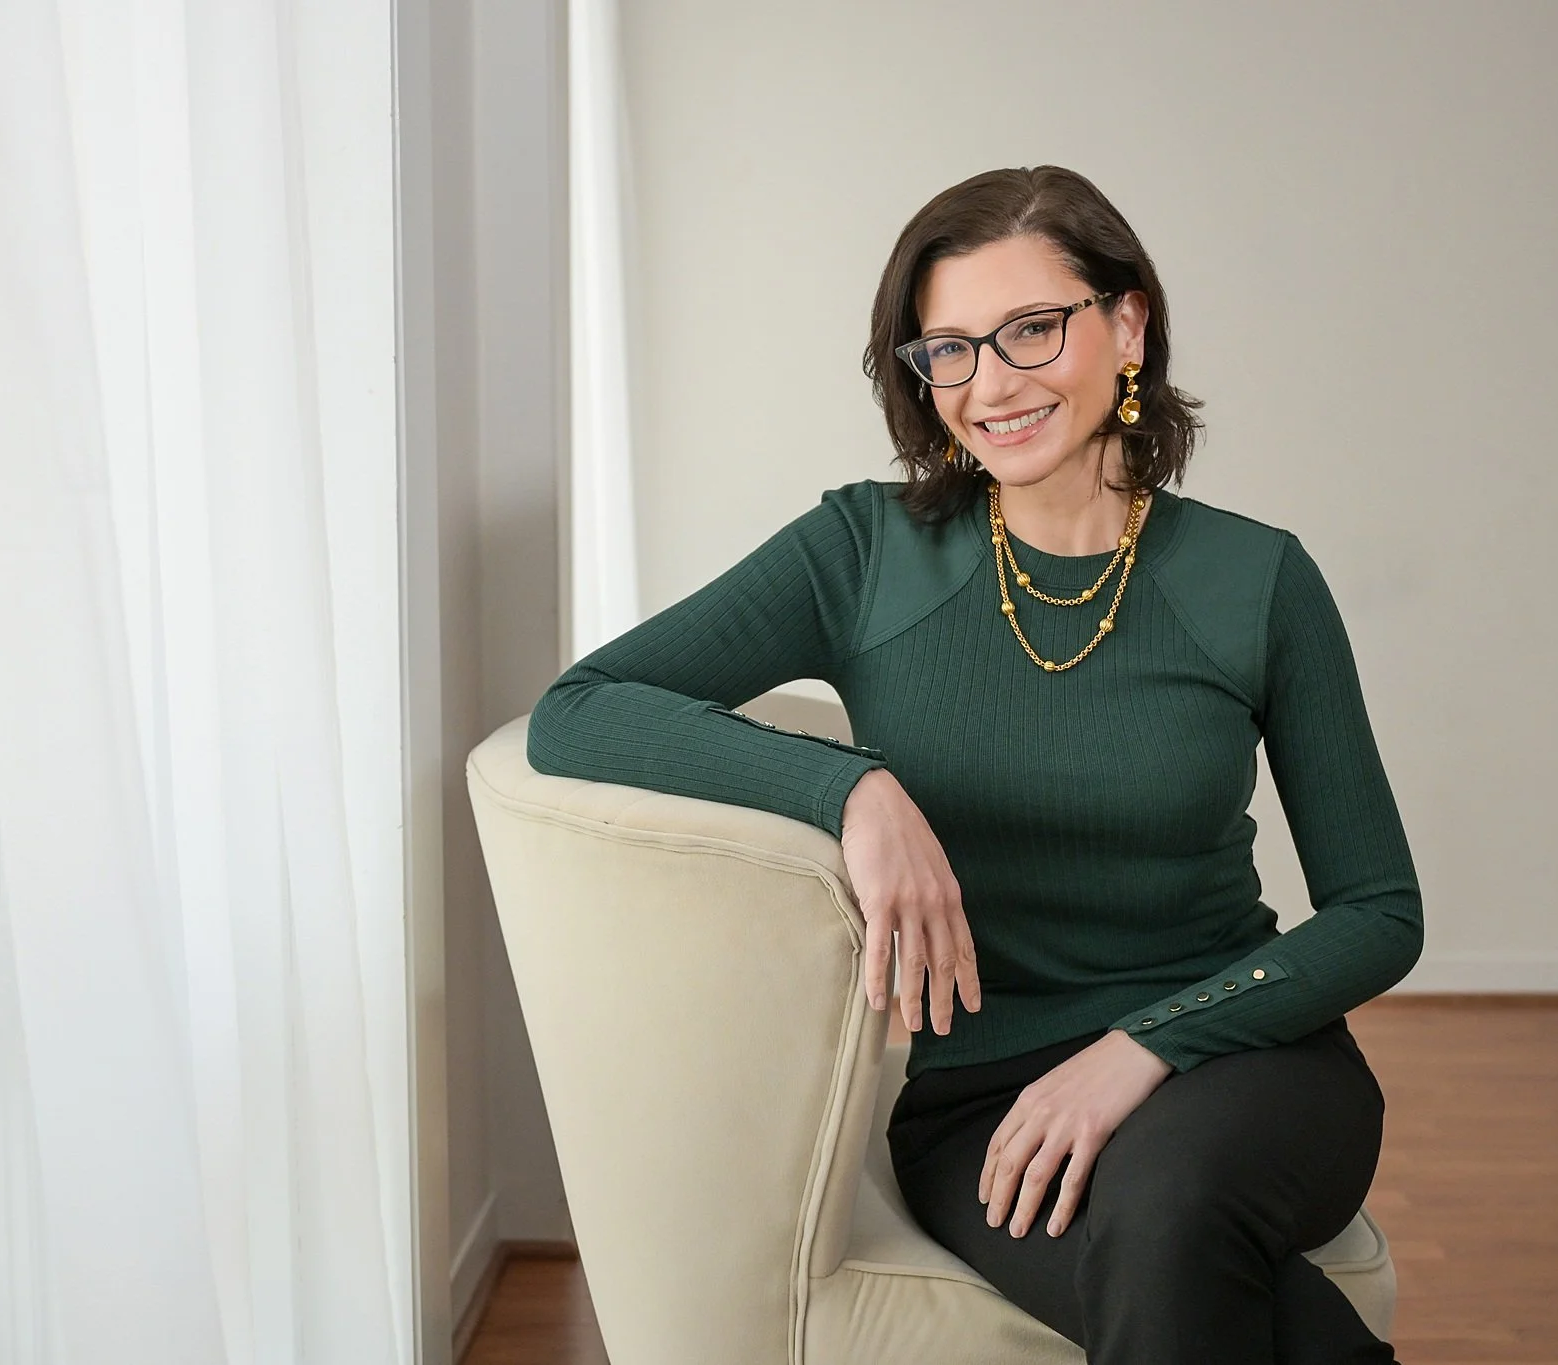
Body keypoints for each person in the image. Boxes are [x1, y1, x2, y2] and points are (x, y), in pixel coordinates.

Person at [526, 165, 1421, 1365]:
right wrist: (848, 786)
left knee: (1166, 1213)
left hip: (1244, 1055)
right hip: (980, 1103)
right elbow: (578, 710)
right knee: (1217, 1285)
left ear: (1127, 324)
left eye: (1030, 330)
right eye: (947, 349)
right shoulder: (861, 551)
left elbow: (1378, 912)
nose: (989, 384)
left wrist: (1143, 1048)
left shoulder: (1257, 579)